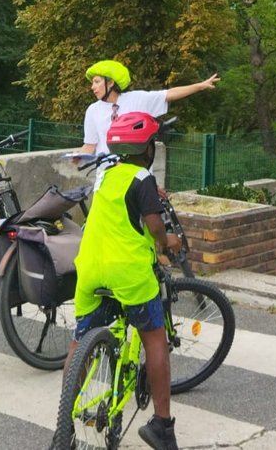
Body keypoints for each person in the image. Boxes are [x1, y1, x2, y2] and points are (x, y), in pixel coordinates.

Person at [68, 112, 182, 450]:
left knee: (79, 346)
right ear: (147, 148)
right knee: (155, 341)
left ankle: (66, 424)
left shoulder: (106, 175)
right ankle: (161, 425)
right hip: (128, 273)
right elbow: (154, 226)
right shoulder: (143, 177)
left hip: (90, 268)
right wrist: (167, 243)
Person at [81, 59, 219, 160]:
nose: (92, 87)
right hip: (107, 175)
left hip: (135, 173)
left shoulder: (137, 99)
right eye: (92, 82)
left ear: (110, 83)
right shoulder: (93, 110)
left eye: (97, 82)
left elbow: (168, 94)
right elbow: (90, 145)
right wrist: (77, 157)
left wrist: (200, 86)